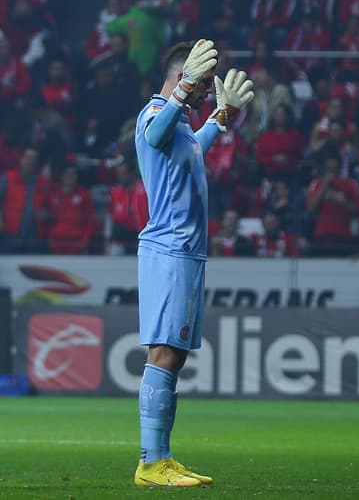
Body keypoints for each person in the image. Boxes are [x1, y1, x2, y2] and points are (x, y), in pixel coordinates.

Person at [132, 40, 253, 487]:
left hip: (185, 252)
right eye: (203, 83)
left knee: (174, 355)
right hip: (169, 249)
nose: (206, 92)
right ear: (183, 75)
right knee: (164, 352)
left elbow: (191, 149)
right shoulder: (155, 113)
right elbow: (154, 135)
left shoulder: (181, 121)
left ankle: (163, 455)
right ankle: (150, 462)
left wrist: (221, 118)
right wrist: (184, 88)